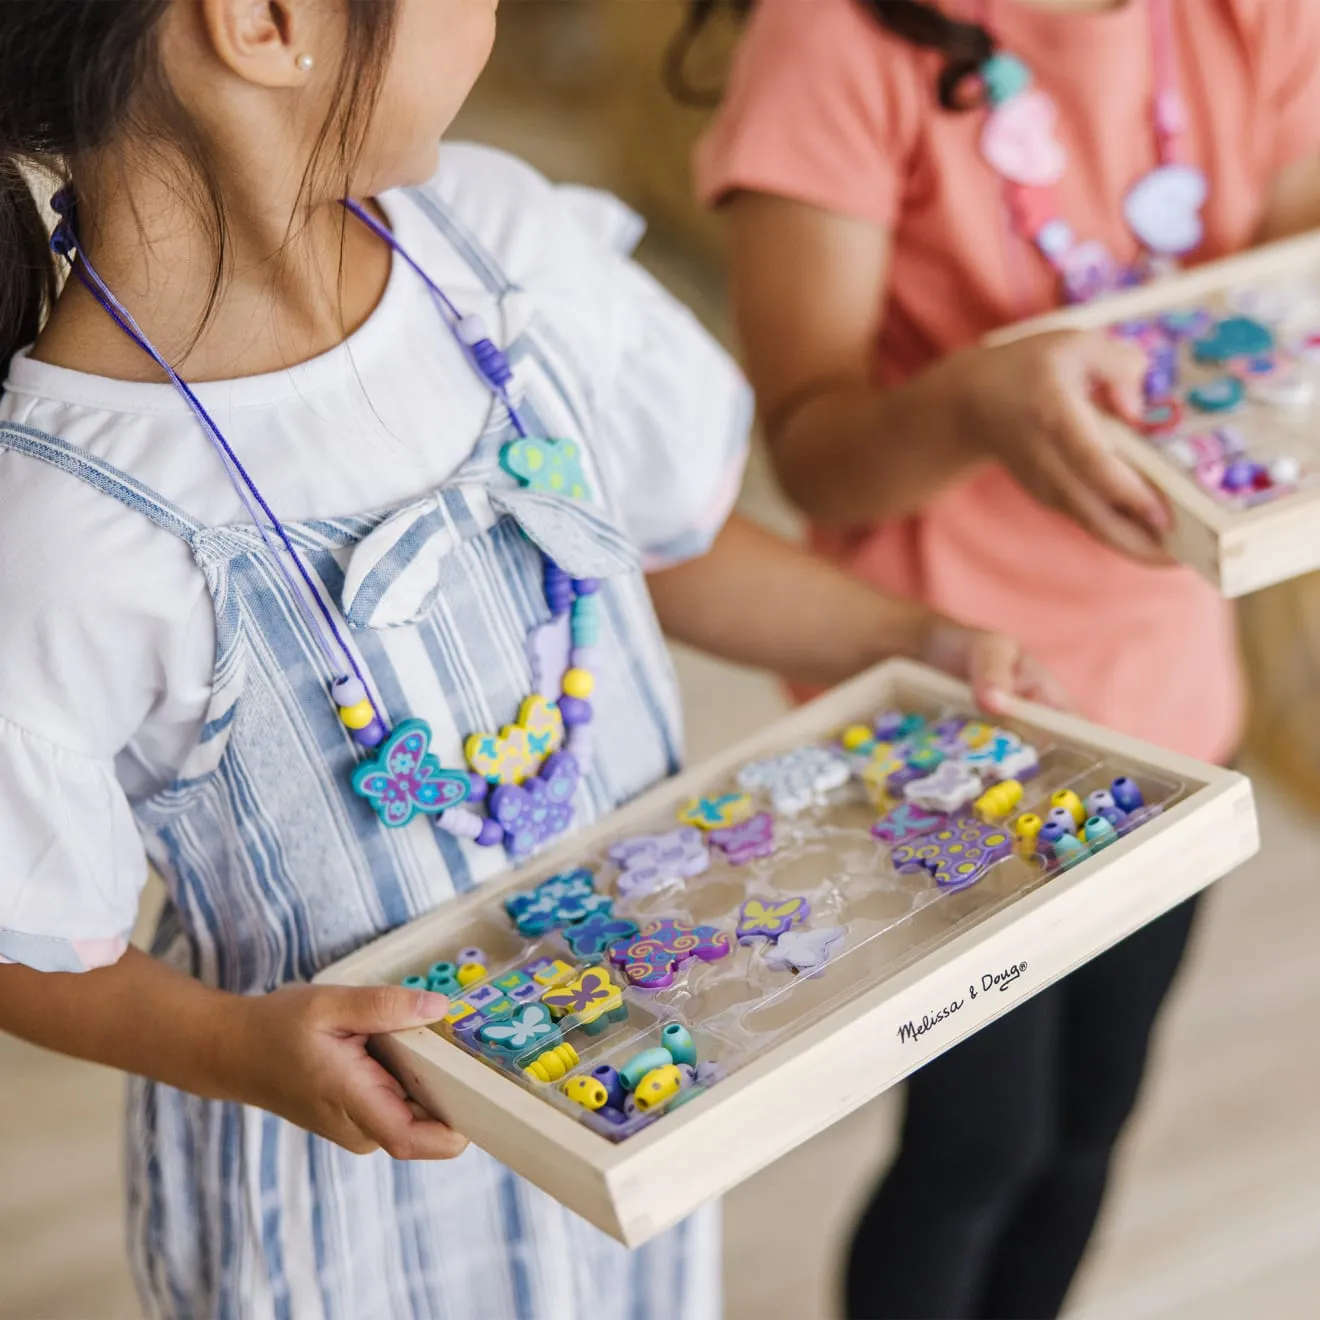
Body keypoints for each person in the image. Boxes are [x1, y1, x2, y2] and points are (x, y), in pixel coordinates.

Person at [0, 1, 1064, 1317]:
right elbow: (30, 941)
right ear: (269, 23)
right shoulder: (65, 528)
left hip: (630, 1090)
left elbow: (659, 550)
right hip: (346, 1200)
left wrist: (908, 635)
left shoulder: (500, 253)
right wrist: (242, 1050)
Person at [691, 0, 1320, 1315]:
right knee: (979, 1143)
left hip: (1168, 694)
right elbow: (814, 450)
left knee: (1093, 1117)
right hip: (941, 706)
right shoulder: (834, 43)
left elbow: (1283, 268)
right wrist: (980, 398)